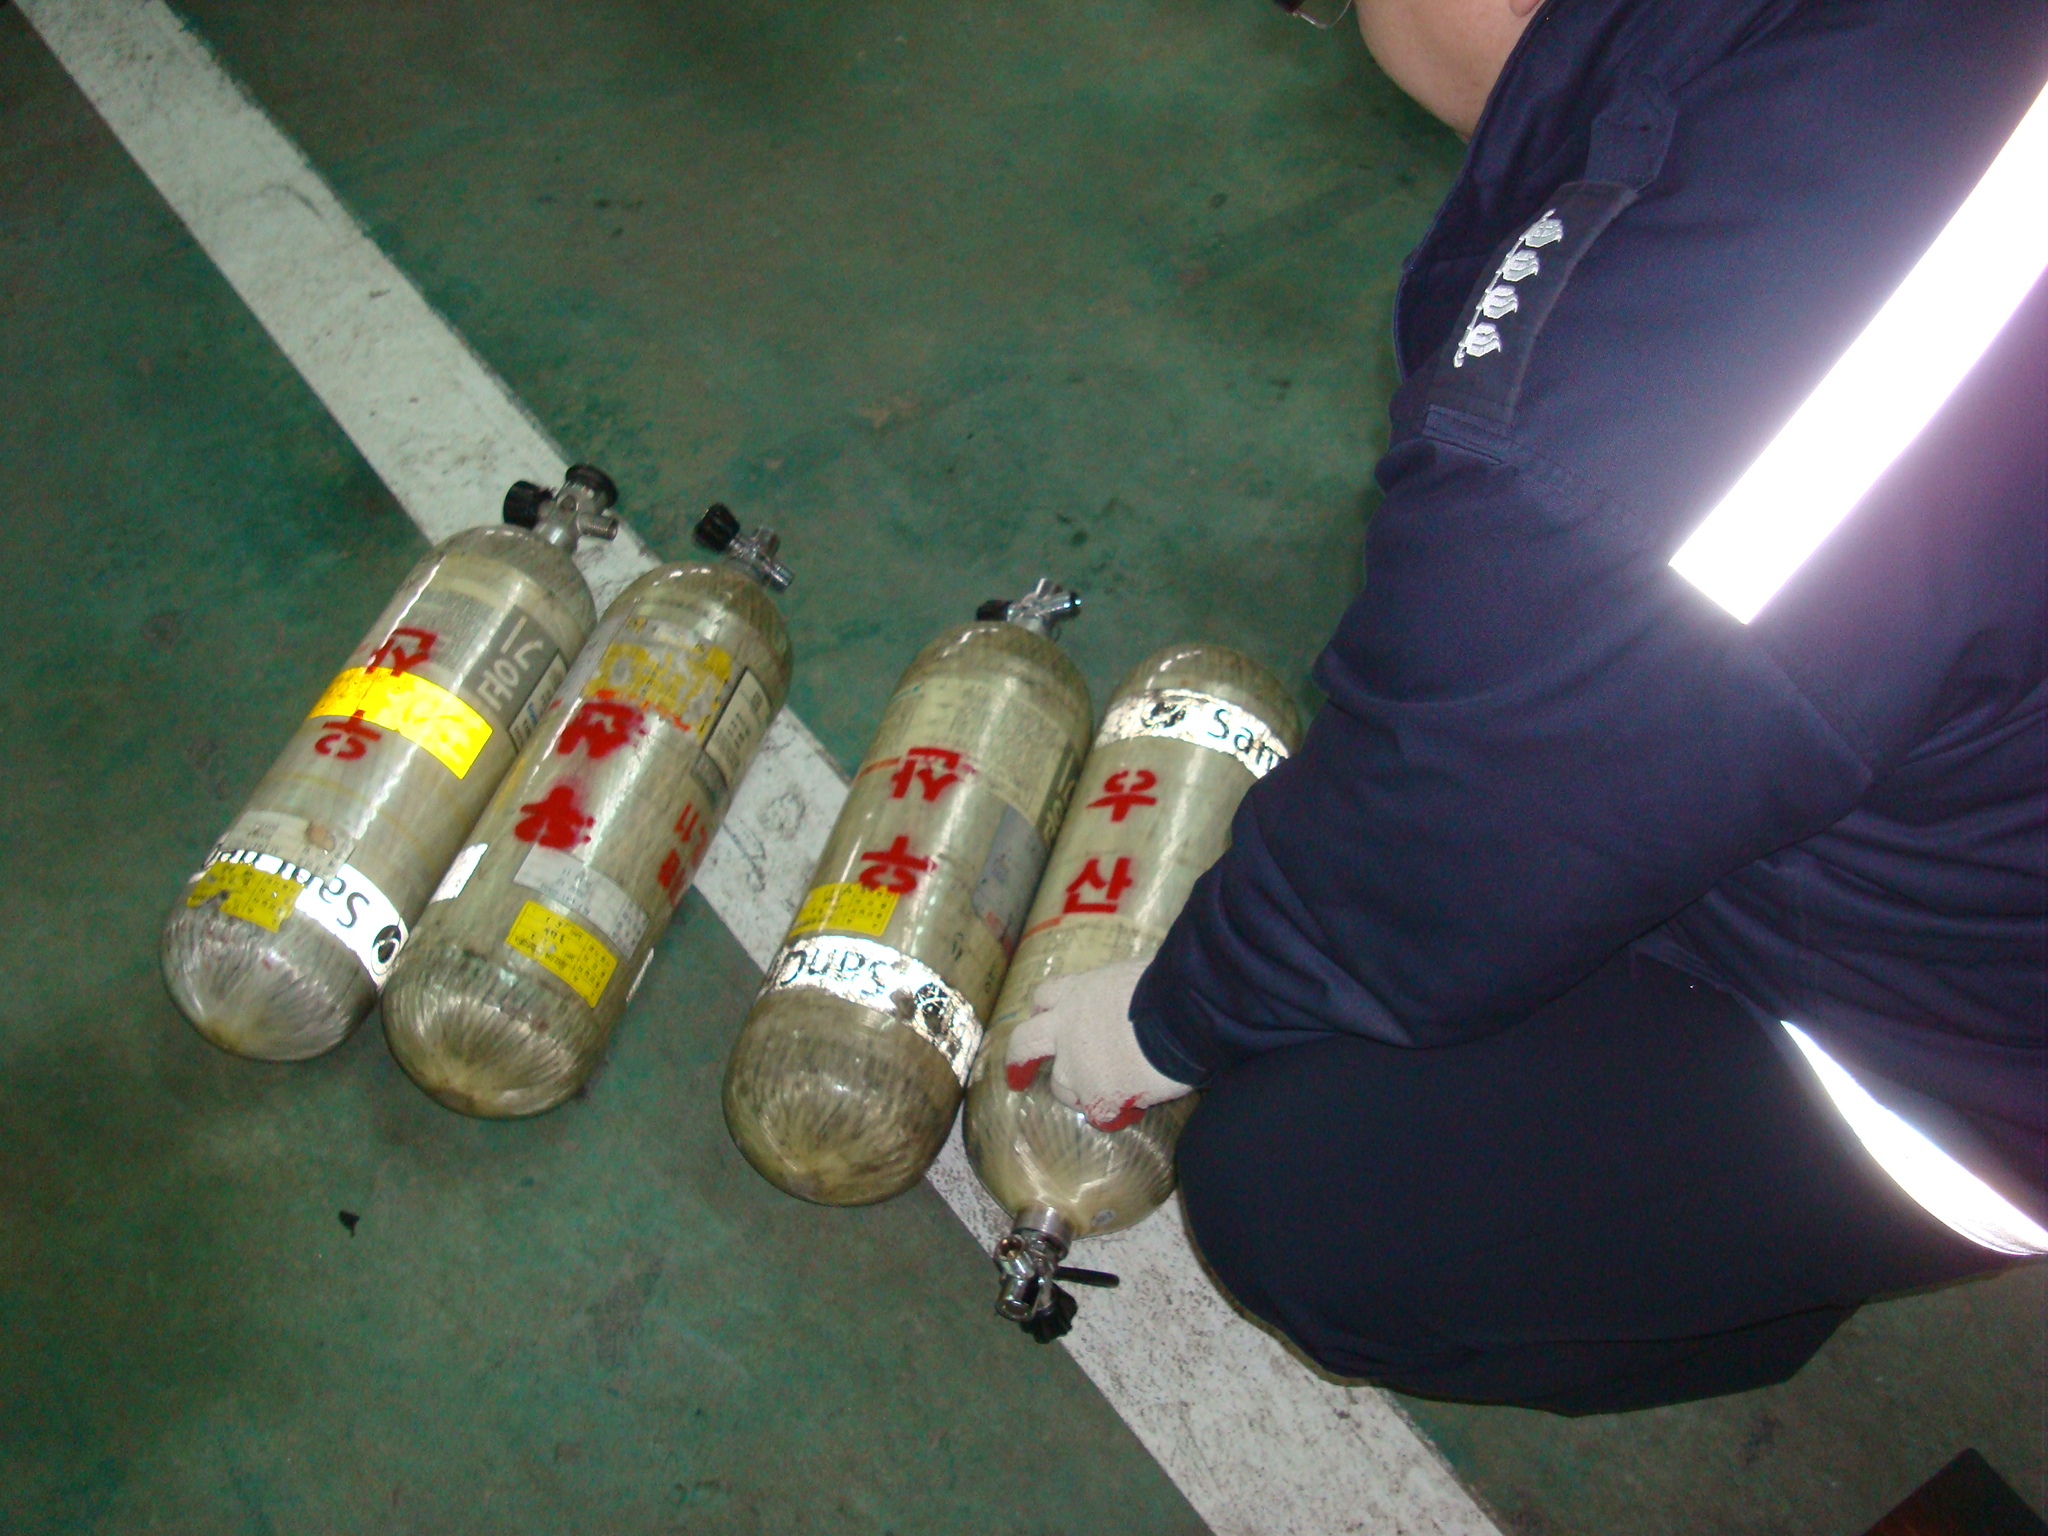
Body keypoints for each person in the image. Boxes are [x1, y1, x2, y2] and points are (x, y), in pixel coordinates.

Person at [1002, 0, 2046, 1413]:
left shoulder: (1672, 420)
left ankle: (1764, 1277)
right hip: (1966, 789)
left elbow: (1465, 819)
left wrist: (1175, 1014)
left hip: (1966, 1057)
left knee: (1307, 1192)